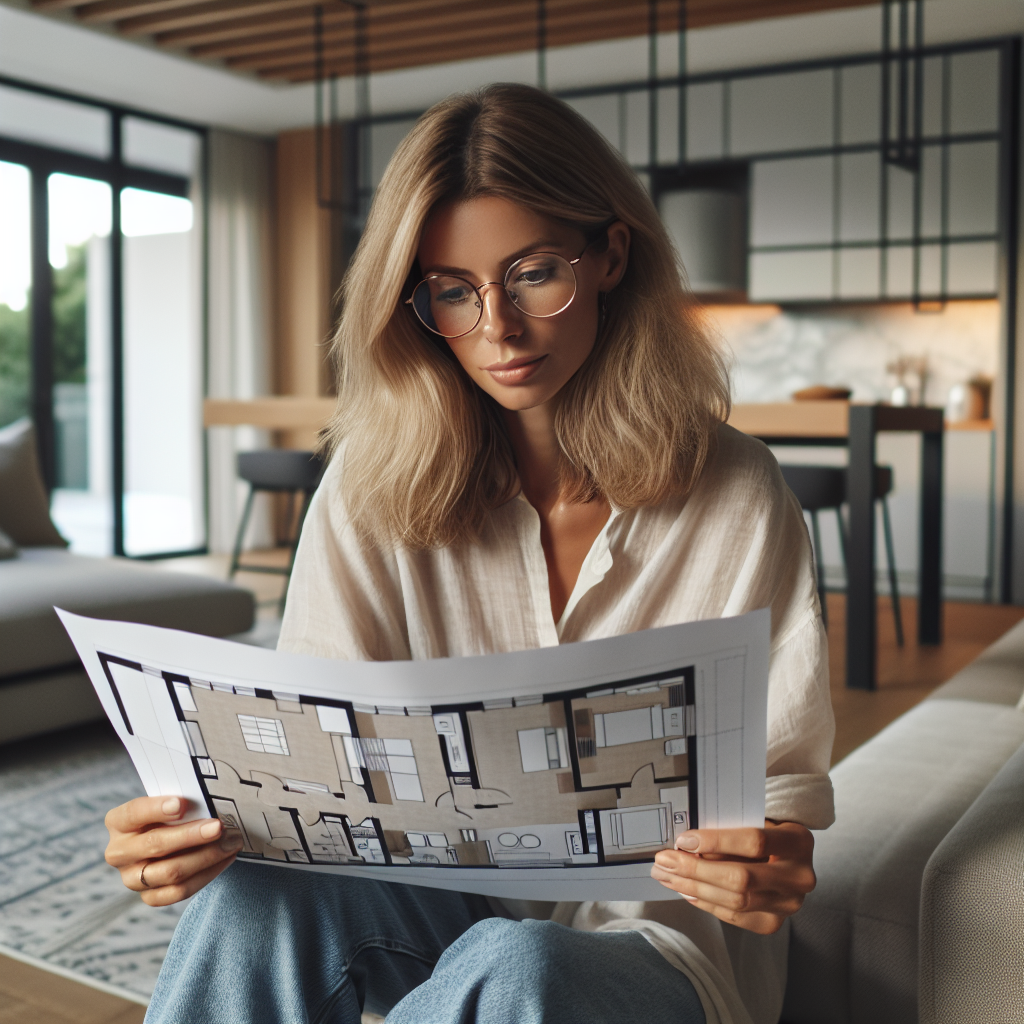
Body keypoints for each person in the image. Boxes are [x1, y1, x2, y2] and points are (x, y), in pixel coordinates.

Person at [103, 84, 834, 1024]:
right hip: (433, 909)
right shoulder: (369, 484)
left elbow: (778, 794)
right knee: (249, 898)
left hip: (654, 949)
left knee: (518, 962)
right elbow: (315, 766)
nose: (498, 327)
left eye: (533, 273)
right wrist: (186, 838)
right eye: (452, 290)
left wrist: (772, 862)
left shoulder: (737, 491)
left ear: (611, 254)